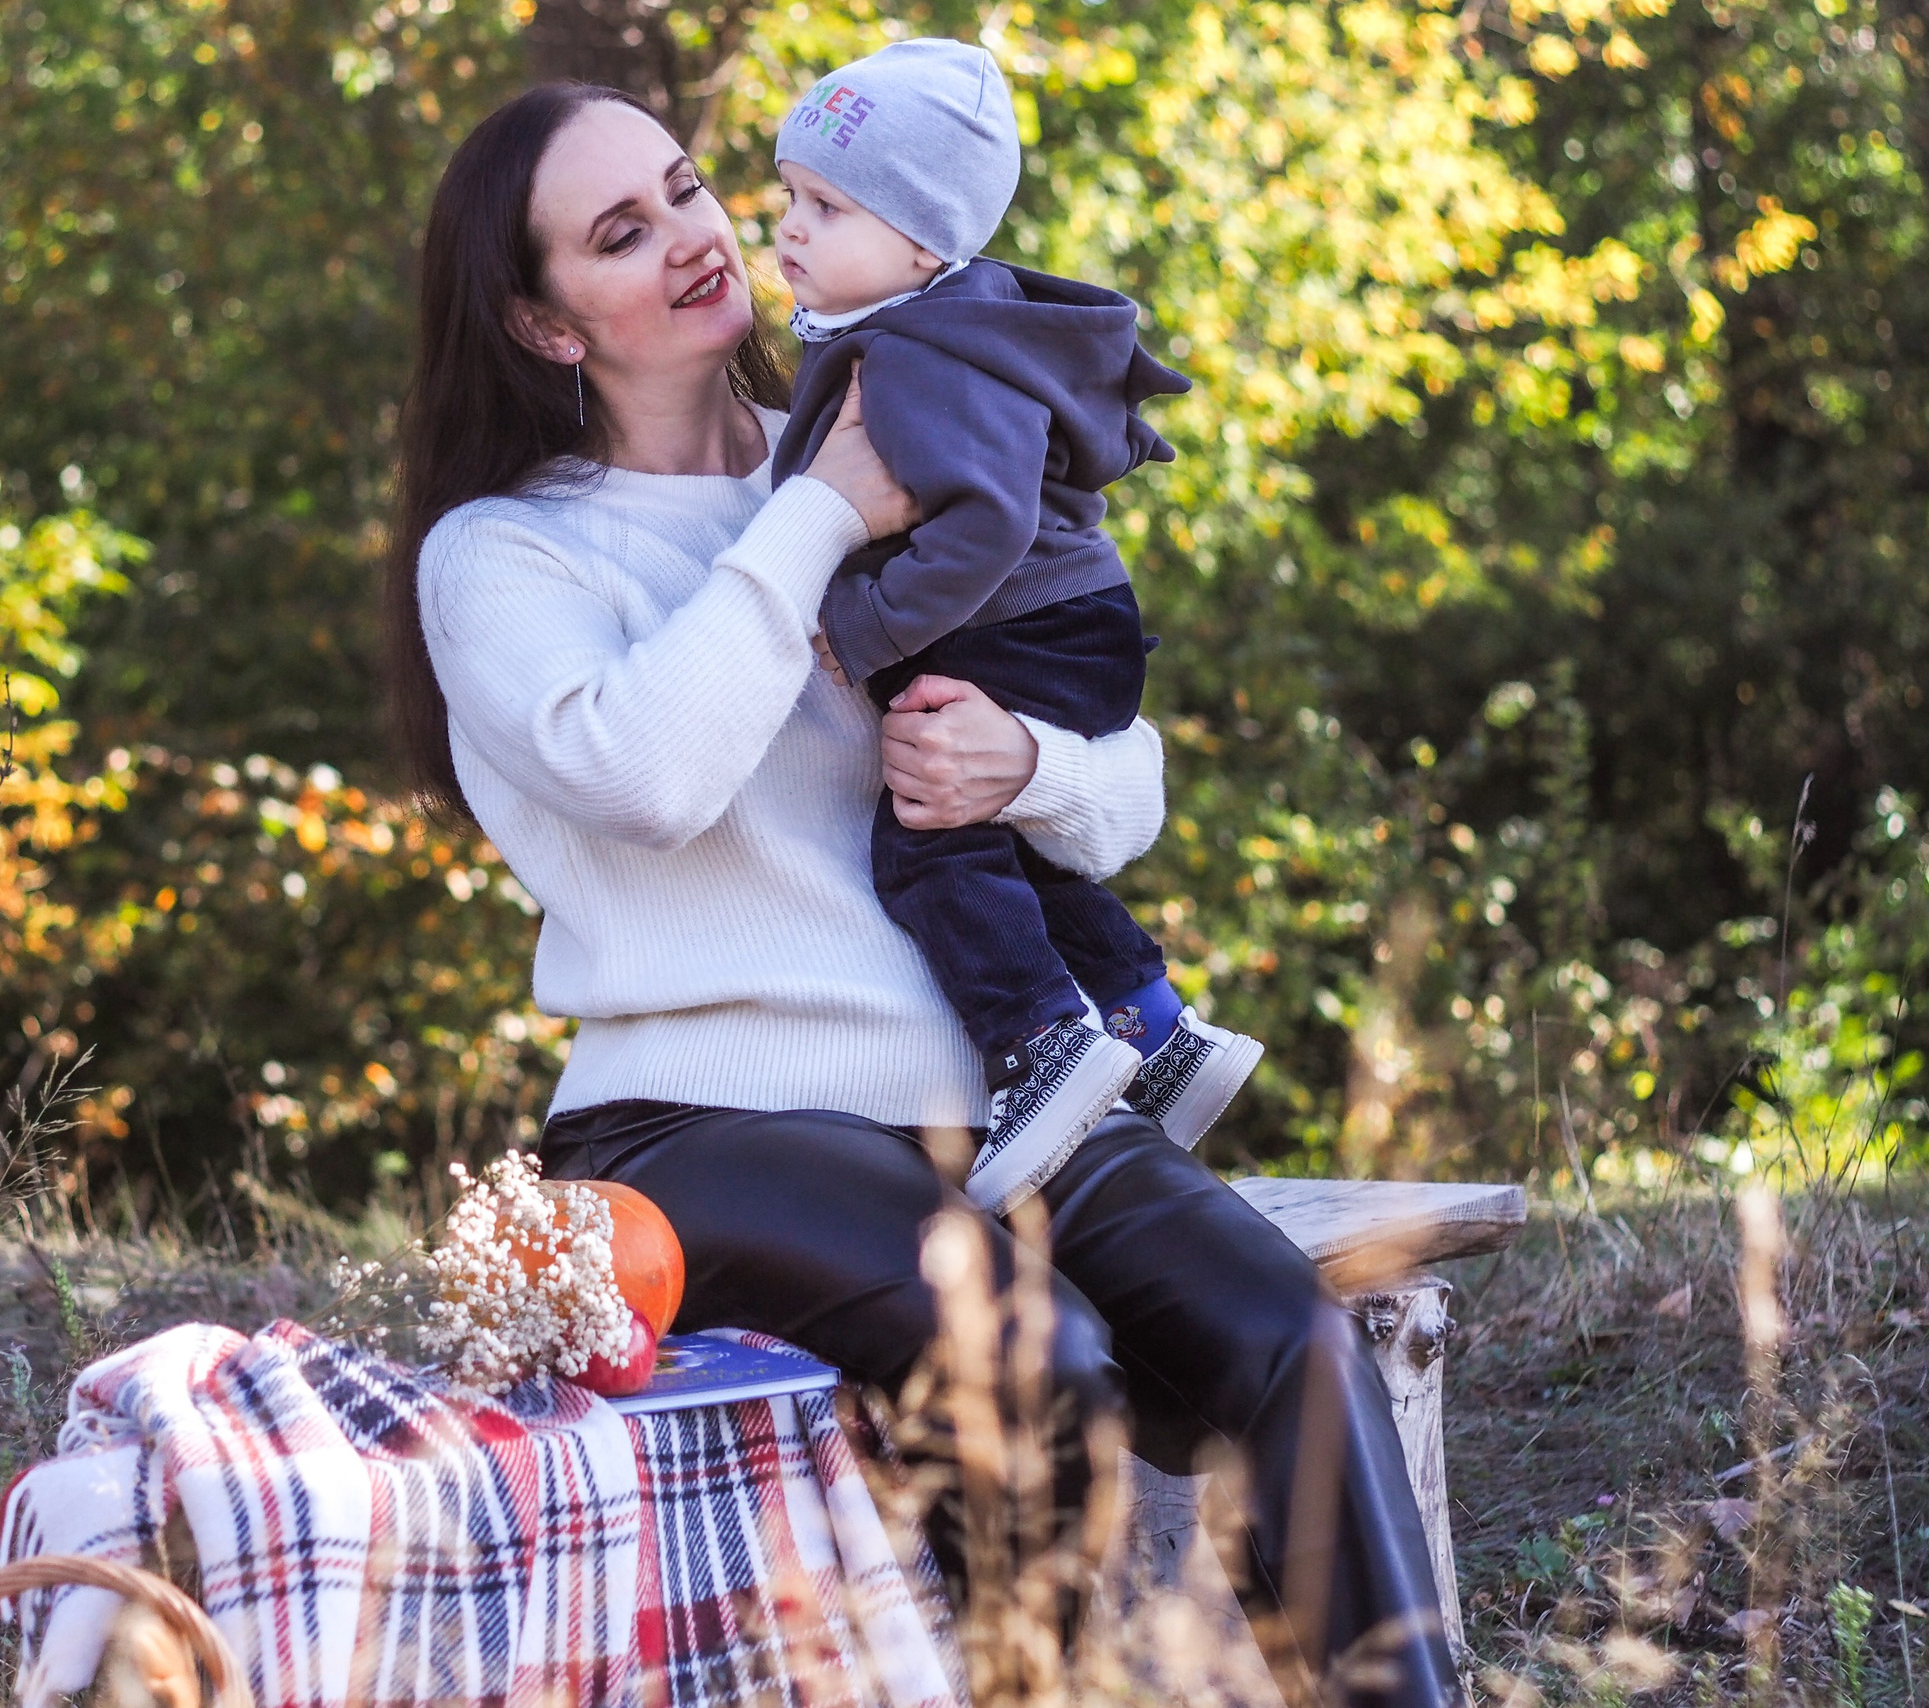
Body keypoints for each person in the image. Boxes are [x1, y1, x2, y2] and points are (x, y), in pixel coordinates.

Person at [384, 79, 1460, 1708]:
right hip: (701, 1120)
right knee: (1041, 1359)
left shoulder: (893, 428)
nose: (693, 236)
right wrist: (820, 510)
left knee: (1294, 1341)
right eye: (622, 232)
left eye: (685, 188)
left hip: (1004, 1086)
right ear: (542, 324)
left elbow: (1122, 756)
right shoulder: (510, 558)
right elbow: (652, 774)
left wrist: (1023, 767)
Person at [769, 39, 1262, 1211]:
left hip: (1033, 624)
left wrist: (870, 629)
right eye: (786, 194)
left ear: (921, 243)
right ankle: (1157, 1033)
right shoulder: (928, 326)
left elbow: (984, 526)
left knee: (925, 842)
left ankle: (1041, 1045)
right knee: (1001, 848)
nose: (788, 226)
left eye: (826, 205)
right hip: (1063, 622)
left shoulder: (913, 353)